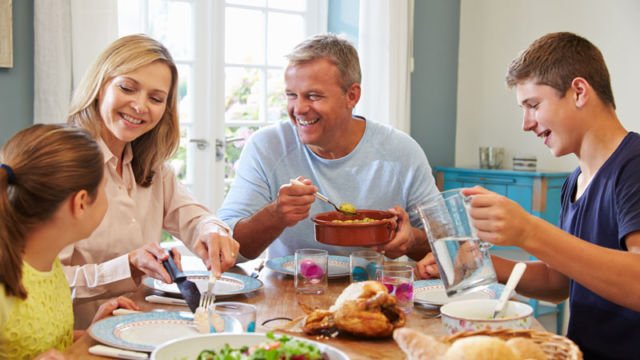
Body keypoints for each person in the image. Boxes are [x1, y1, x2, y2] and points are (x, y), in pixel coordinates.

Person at [416, 32, 640, 359]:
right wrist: (476, 263)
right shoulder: (575, 181)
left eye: (533, 105)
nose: (526, 124)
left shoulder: (633, 167)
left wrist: (529, 231)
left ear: (579, 91)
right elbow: (557, 282)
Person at [64, 34, 240, 328]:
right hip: (77, 343)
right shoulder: (64, 168)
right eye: (127, 88)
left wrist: (212, 230)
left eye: (156, 98)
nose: (140, 105)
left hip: (141, 329)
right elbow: (40, 283)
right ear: (99, 87)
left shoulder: (153, 168)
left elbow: (194, 217)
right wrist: (128, 266)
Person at [218, 33, 439, 261]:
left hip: (378, 292)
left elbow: (449, 245)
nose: (299, 109)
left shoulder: (401, 151)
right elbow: (226, 248)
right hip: (292, 291)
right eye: (292, 95)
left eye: (313, 96)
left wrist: (412, 240)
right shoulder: (266, 146)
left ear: (352, 96)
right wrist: (276, 215)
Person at [0, 124, 139, 360]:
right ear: (81, 202)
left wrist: (92, 335)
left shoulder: (48, 264)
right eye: (104, 188)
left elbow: (38, 342)